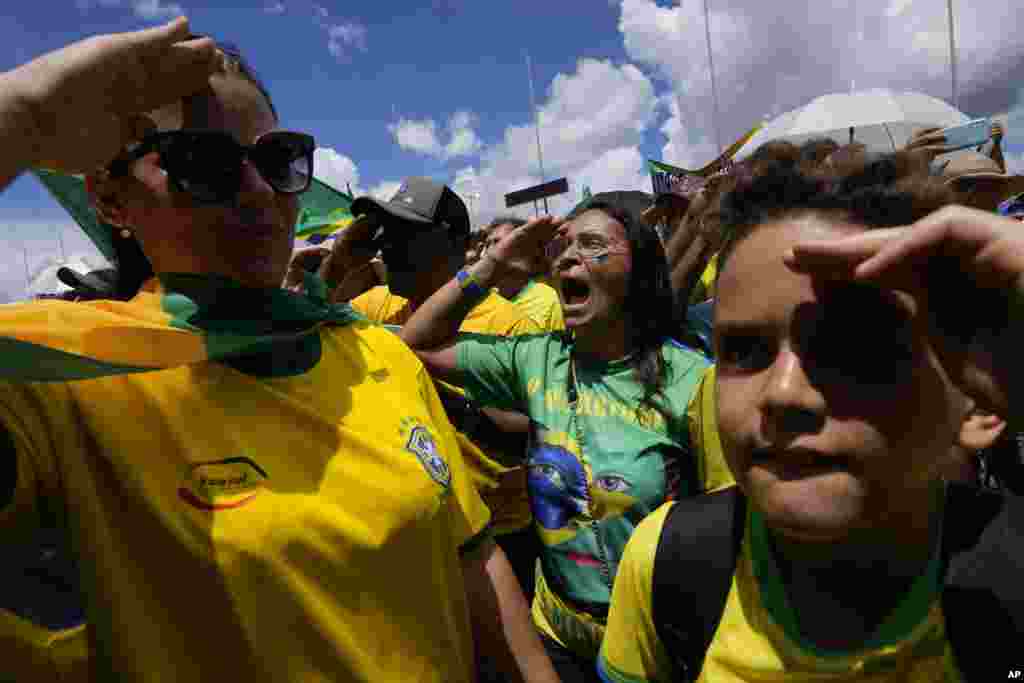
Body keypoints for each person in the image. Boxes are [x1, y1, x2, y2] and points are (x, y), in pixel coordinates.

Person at [0, 19, 558, 682]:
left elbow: (471, 554)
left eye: (278, 160)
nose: (260, 191)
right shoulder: (66, 376)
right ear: (109, 196)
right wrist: (24, 113)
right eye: (205, 164)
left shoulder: (372, 353)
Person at [599, 149, 1024, 682]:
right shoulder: (666, 562)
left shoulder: (1011, 577)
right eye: (744, 351)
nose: (782, 392)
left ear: (979, 400)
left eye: (853, 348)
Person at [397, 195, 733, 682]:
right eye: (565, 246)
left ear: (639, 270)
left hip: (656, 647)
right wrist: (492, 264)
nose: (569, 257)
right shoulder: (538, 358)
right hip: (557, 636)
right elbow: (418, 342)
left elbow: (727, 528)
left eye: (593, 245)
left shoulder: (693, 381)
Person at [323, 178, 544, 600]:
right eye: (383, 233)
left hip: (500, 540)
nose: (386, 245)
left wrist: (454, 405)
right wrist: (337, 265)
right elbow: (296, 328)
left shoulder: (511, 326)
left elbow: (544, 434)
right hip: (416, 533)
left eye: (404, 234)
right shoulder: (374, 308)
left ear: (451, 244)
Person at [483, 215, 565, 332]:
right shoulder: (481, 300)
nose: (489, 251)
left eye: (498, 242)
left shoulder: (547, 300)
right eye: (487, 244)